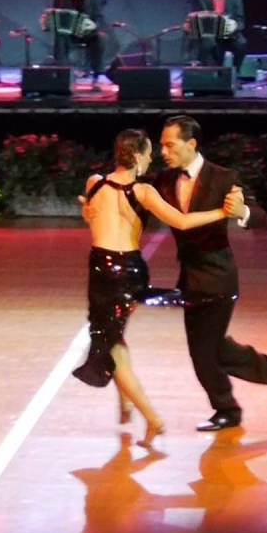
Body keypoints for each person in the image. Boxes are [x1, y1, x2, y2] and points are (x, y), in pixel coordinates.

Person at [73, 129, 245, 447]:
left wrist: (224, 213)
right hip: (119, 271)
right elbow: (181, 221)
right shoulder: (142, 191)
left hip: (109, 273)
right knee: (112, 336)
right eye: (149, 152)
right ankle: (126, 404)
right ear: (137, 156)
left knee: (108, 344)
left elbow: (95, 218)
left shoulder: (94, 182)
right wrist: (221, 212)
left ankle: (153, 420)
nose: (152, 158)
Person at [153, 116, 267, 431]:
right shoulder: (163, 180)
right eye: (161, 145)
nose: (164, 151)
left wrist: (241, 211)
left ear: (191, 144)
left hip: (218, 277)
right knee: (214, 348)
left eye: (169, 144)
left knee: (204, 353)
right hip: (190, 281)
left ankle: (228, 410)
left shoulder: (223, 178)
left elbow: (259, 216)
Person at [43, 0, 108, 74]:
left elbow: (99, 16)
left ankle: (97, 73)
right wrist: (47, 22)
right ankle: (62, 71)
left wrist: (94, 24)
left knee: (99, 39)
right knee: (60, 37)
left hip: (87, 32)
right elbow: (55, 17)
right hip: (68, 34)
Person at [185, 0, 246, 69]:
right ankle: (215, 73)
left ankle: (236, 73)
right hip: (210, 36)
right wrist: (188, 26)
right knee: (209, 43)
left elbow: (241, 21)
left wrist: (235, 25)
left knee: (241, 43)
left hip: (229, 35)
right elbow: (193, 18)